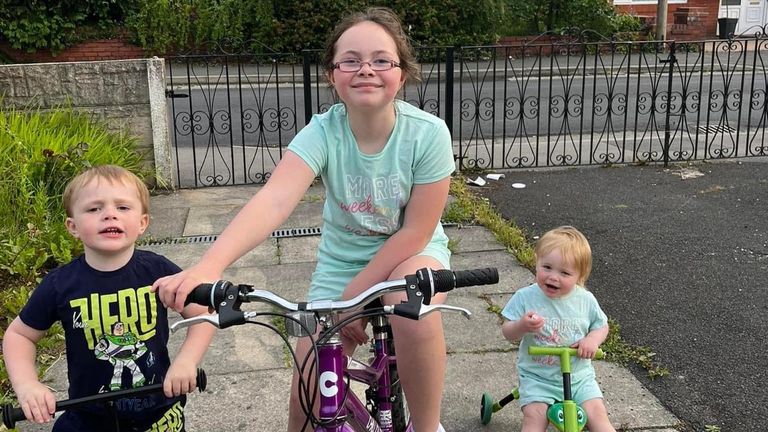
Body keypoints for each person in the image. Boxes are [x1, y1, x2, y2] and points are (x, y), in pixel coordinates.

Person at [152, 7, 454, 432]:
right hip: (342, 262)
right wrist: (209, 266)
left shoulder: (428, 134)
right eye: (350, 60)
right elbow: (274, 200)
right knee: (308, 383)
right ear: (332, 75)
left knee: (413, 307)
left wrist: (354, 298)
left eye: (381, 60)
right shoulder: (324, 131)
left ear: (402, 74)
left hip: (412, 253)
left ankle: (427, 425)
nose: (366, 69)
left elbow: (415, 231)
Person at [3, 165, 215, 431]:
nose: (109, 215)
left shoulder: (158, 271)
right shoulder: (60, 285)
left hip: (158, 412)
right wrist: (27, 385)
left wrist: (187, 361)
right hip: (89, 417)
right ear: (73, 226)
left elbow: (203, 314)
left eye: (123, 208)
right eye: (94, 209)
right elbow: (19, 336)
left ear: (142, 223)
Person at [501, 226, 615, 432]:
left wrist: (592, 340)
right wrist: (521, 326)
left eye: (564, 272)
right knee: (534, 417)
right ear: (536, 262)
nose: (553, 277)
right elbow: (507, 332)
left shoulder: (585, 300)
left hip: (579, 377)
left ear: (580, 276)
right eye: (547, 267)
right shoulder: (525, 297)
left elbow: (601, 326)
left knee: (598, 415)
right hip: (538, 378)